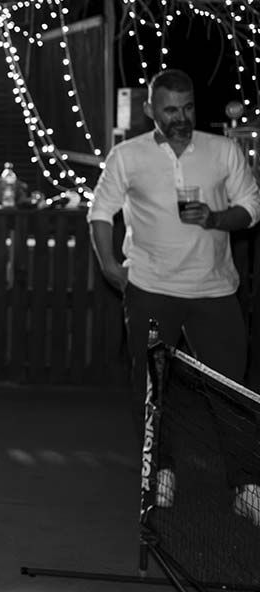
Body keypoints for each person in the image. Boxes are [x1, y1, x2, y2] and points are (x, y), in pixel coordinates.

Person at [88, 68, 260, 523]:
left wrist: (217, 219)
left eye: (187, 108)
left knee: (232, 390)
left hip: (214, 290)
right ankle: (159, 472)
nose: (181, 117)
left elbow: (252, 207)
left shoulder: (223, 150)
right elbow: (101, 210)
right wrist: (108, 264)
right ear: (151, 111)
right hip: (150, 288)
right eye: (170, 109)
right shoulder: (127, 155)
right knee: (149, 388)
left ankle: (246, 483)